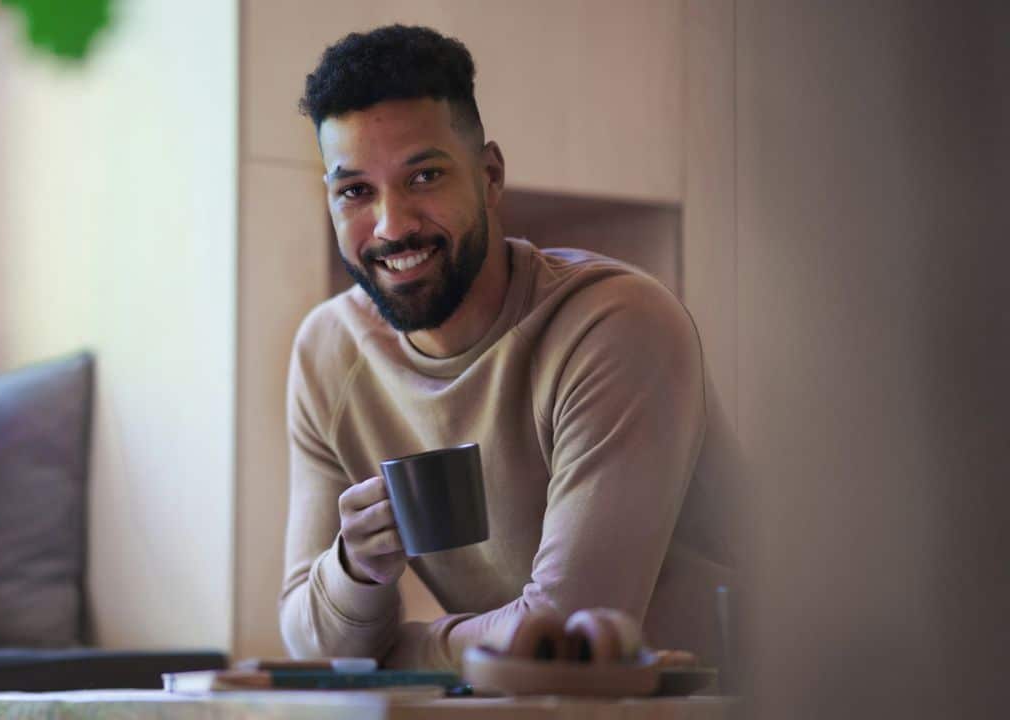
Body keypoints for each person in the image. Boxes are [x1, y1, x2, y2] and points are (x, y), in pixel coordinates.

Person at [279, 24, 735, 671]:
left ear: (489, 176)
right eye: (355, 191)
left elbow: (563, 636)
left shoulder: (613, 324)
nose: (391, 224)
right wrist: (354, 569)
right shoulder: (328, 350)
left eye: (425, 176)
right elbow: (305, 632)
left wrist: (392, 652)